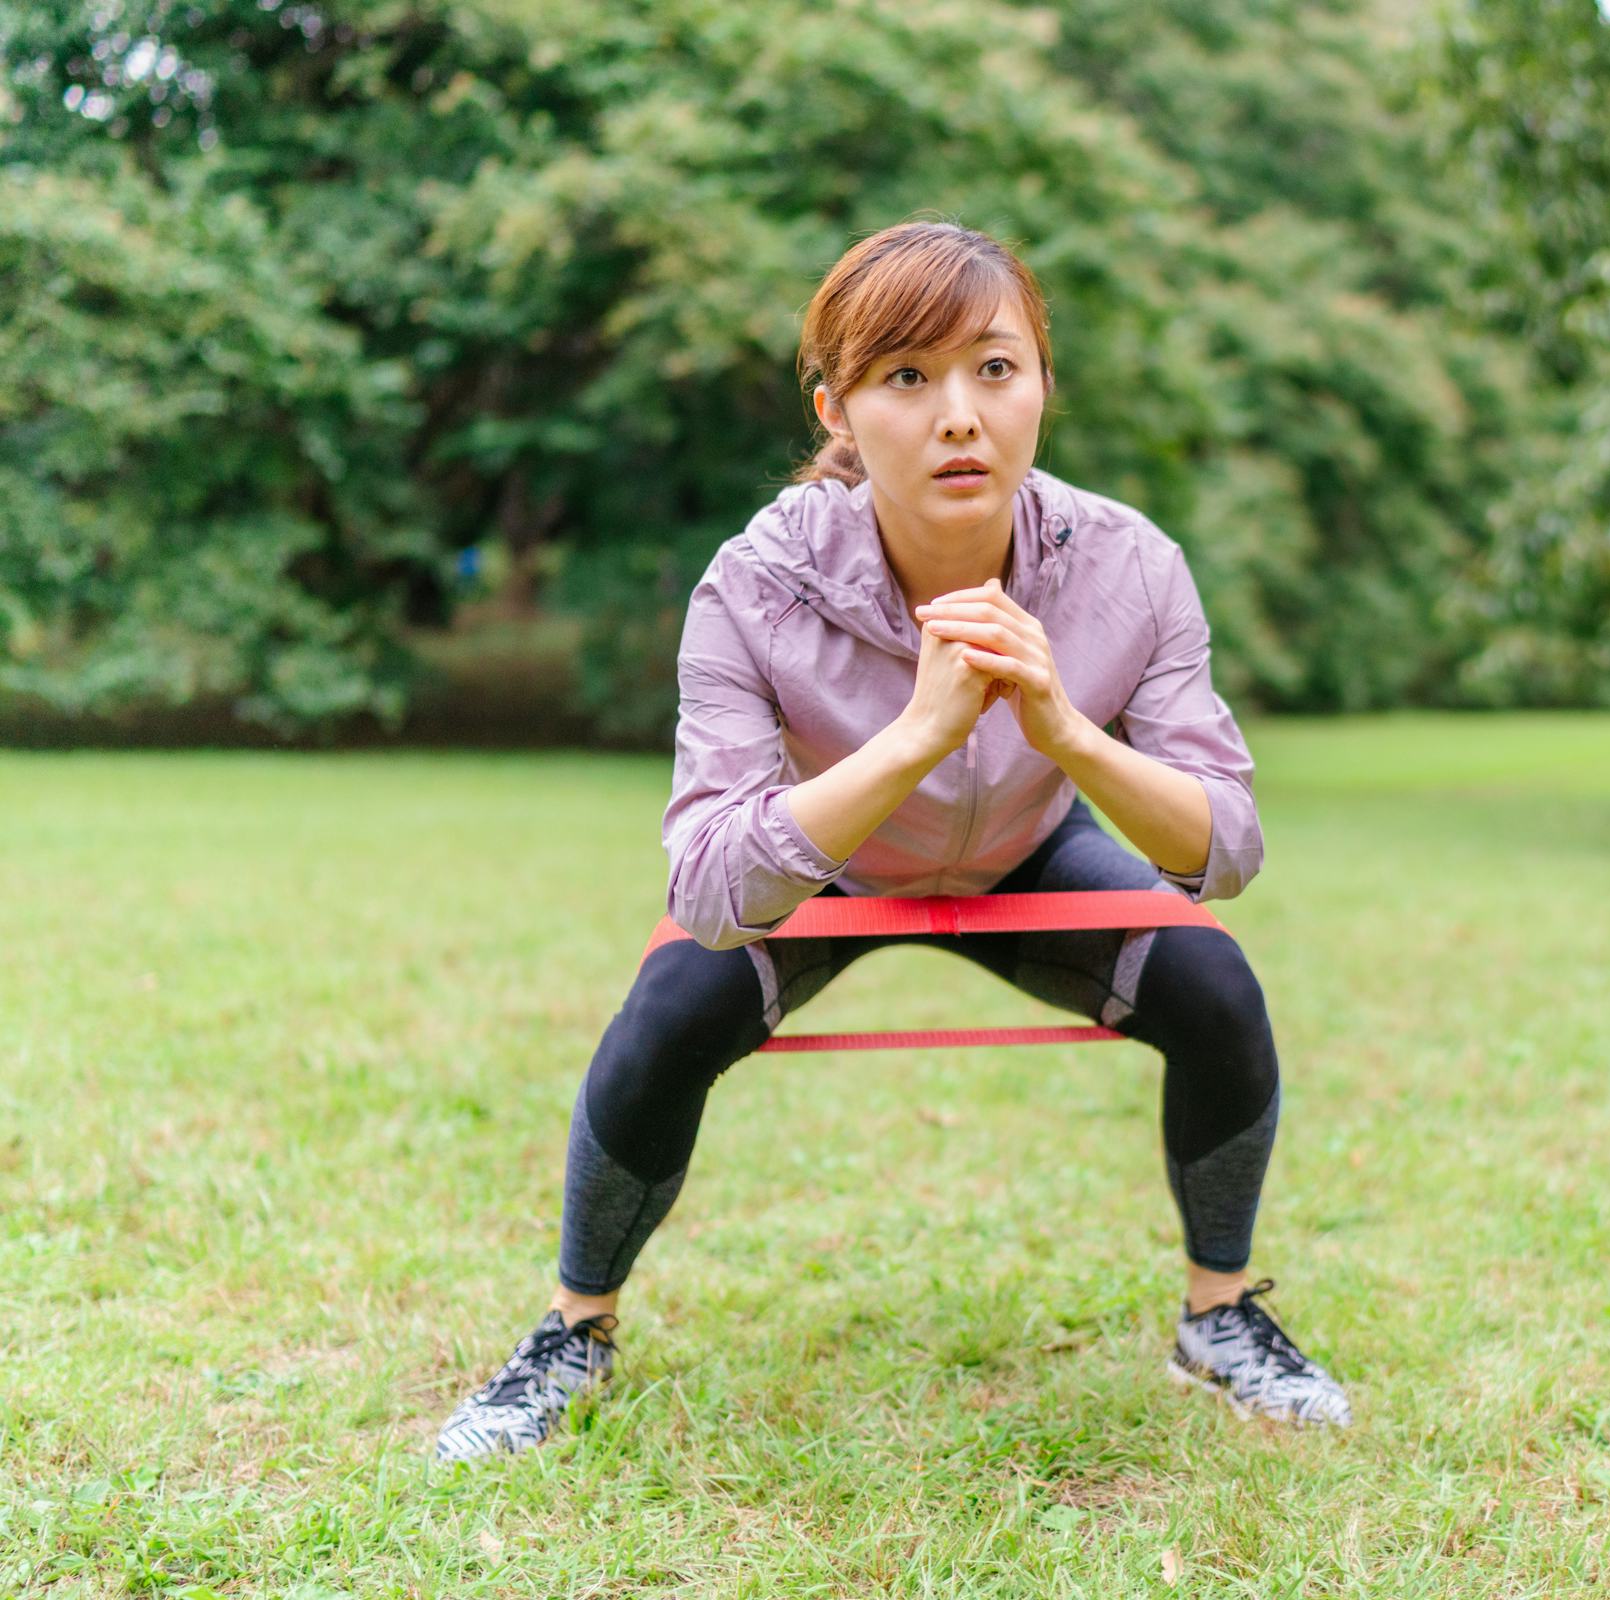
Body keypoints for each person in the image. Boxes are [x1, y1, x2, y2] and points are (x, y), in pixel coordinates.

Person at [433, 220, 1352, 1462]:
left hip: (1029, 844)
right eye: (906, 378)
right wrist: (915, 738)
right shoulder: (755, 583)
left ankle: (1220, 1316)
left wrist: (1069, 733)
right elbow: (708, 882)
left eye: (994, 367)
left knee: (1216, 988)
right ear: (840, 407)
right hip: (832, 854)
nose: (958, 415)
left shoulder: (1130, 566)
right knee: (664, 1017)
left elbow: (1227, 843)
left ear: (1041, 387)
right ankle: (573, 1330)